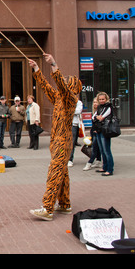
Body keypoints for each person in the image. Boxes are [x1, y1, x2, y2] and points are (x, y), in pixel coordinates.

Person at [28, 54, 82, 221]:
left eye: (66, 82)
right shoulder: (59, 98)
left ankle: (47, 208)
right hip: (56, 140)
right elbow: (45, 87)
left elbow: (61, 87)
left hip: (63, 141)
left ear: (72, 87)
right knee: (62, 172)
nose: (63, 83)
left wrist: (54, 64)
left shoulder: (70, 99)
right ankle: (65, 204)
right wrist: (36, 68)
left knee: (54, 172)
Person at [92, 91, 114, 176]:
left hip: (105, 131)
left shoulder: (108, 107)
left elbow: (101, 118)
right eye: (100, 99)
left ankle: (110, 169)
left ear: (106, 99)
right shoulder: (99, 107)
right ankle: (104, 167)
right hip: (99, 130)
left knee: (106, 150)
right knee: (102, 150)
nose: (101, 101)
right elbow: (93, 117)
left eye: (103, 99)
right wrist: (97, 117)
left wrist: (97, 118)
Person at [83, 97, 102, 171]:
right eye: (94, 102)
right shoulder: (95, 112)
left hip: (97, 132)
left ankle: (89, 163)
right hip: (93, 132)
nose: (95, 104)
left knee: (94, 148)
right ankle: (98, 161)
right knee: (96, 148)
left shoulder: (100, 112)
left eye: (96, 102)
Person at [67, 98, 83, 167]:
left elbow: (78, 111)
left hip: (73, 124)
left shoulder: (78, 102)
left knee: (71, 143)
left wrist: (69, 109)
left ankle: (70, 159)